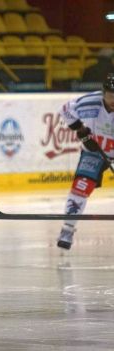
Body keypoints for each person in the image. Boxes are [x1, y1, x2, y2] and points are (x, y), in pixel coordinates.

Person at [56, 74, 114, 250]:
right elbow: (65, 110)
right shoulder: (89, 102)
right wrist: (81, 132)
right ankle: (68, 228)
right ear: (104, 93)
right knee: (81, 186)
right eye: (111, 94)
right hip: (95, 151)